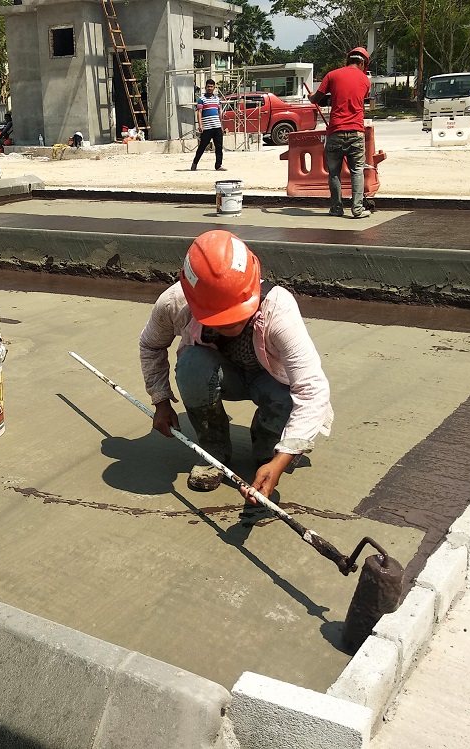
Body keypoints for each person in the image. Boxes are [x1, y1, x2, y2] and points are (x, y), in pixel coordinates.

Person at [139, 230, 333, 503]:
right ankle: (214, 449)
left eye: (236, 316)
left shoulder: (278, 308)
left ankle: (268, 446)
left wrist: (282, 457)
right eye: (218, 318)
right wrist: (160, 401)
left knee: (285, 404)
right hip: (219, 375)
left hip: (269, 380)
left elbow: (312, 387)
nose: (229, 325)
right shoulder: (174, 302)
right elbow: (150, 345)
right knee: (191, 366)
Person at [309, 47, 372, 219]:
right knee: (357, 170)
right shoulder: (366, 81)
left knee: (334, 172)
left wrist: (310, 97)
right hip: (356, 132)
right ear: (362, 62)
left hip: (335, 131)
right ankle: (357, 209)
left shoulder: (332, 75)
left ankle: (336, 208)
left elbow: (316, 99)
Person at [190, 79, 225, 172]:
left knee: (219, 147)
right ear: (205, 87)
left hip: (217, 126)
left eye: (211, 87)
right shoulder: (202, 99)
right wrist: (200, 125)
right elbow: (199, 112)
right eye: (208, 86)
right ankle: (195, 163)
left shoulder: (217, 99)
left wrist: (221, 125)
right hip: (207, 127)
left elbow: (219, 112)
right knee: (202, 146)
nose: (210, 88)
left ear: (214, 88)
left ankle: (218, 165)